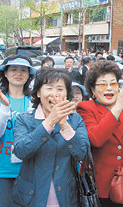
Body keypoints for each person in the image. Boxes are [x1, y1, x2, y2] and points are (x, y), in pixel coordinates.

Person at [77, 61, 123, 207]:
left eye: (113, 84)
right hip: (101, 185)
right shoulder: (86, 108)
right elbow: (96, 139)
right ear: (92, 89)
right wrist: (118, 107)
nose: (109, 88)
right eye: (103, 84)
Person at [11, 67, 89, 206]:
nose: (54, 94)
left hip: (66, 197)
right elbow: (21, 151)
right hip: (31, 197)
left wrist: (64, 124)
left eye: (60, 89)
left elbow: (82, 153)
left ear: (66, 94)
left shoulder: (75, 120)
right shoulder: (24, 120)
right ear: (39, 93)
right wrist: (49, 122)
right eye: (49, 88)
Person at [0, 55, 35, 206]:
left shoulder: (35, 101)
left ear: (29, 75)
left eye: (23, 70)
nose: (18, 73)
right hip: (0, 170)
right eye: (13, 69)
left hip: (28, 170)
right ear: (5, 73)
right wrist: (5, 108)